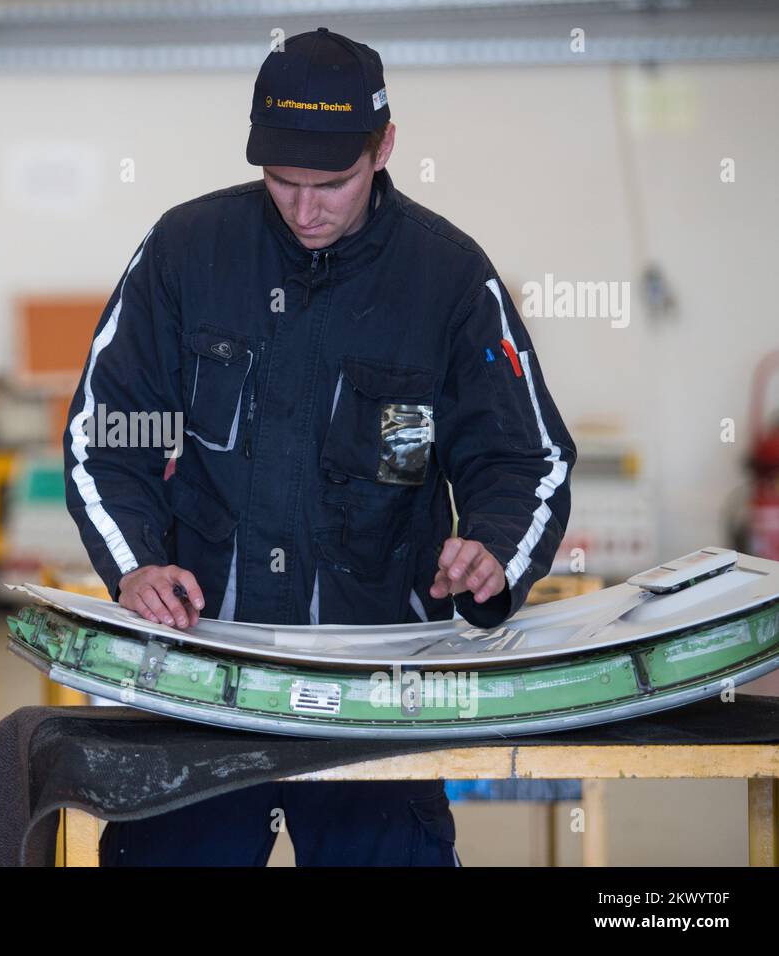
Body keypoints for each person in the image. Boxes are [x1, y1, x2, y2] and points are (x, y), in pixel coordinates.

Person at [63, 27, 576, 866]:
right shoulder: (188, 253)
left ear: (384, 149)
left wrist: (494, 554)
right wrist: (136, 564)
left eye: (331, 183)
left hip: (377, 691)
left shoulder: (445, 280)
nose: (305, 209)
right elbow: (111, 433)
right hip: (205, 687)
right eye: (283, 181)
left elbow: (522, 458)